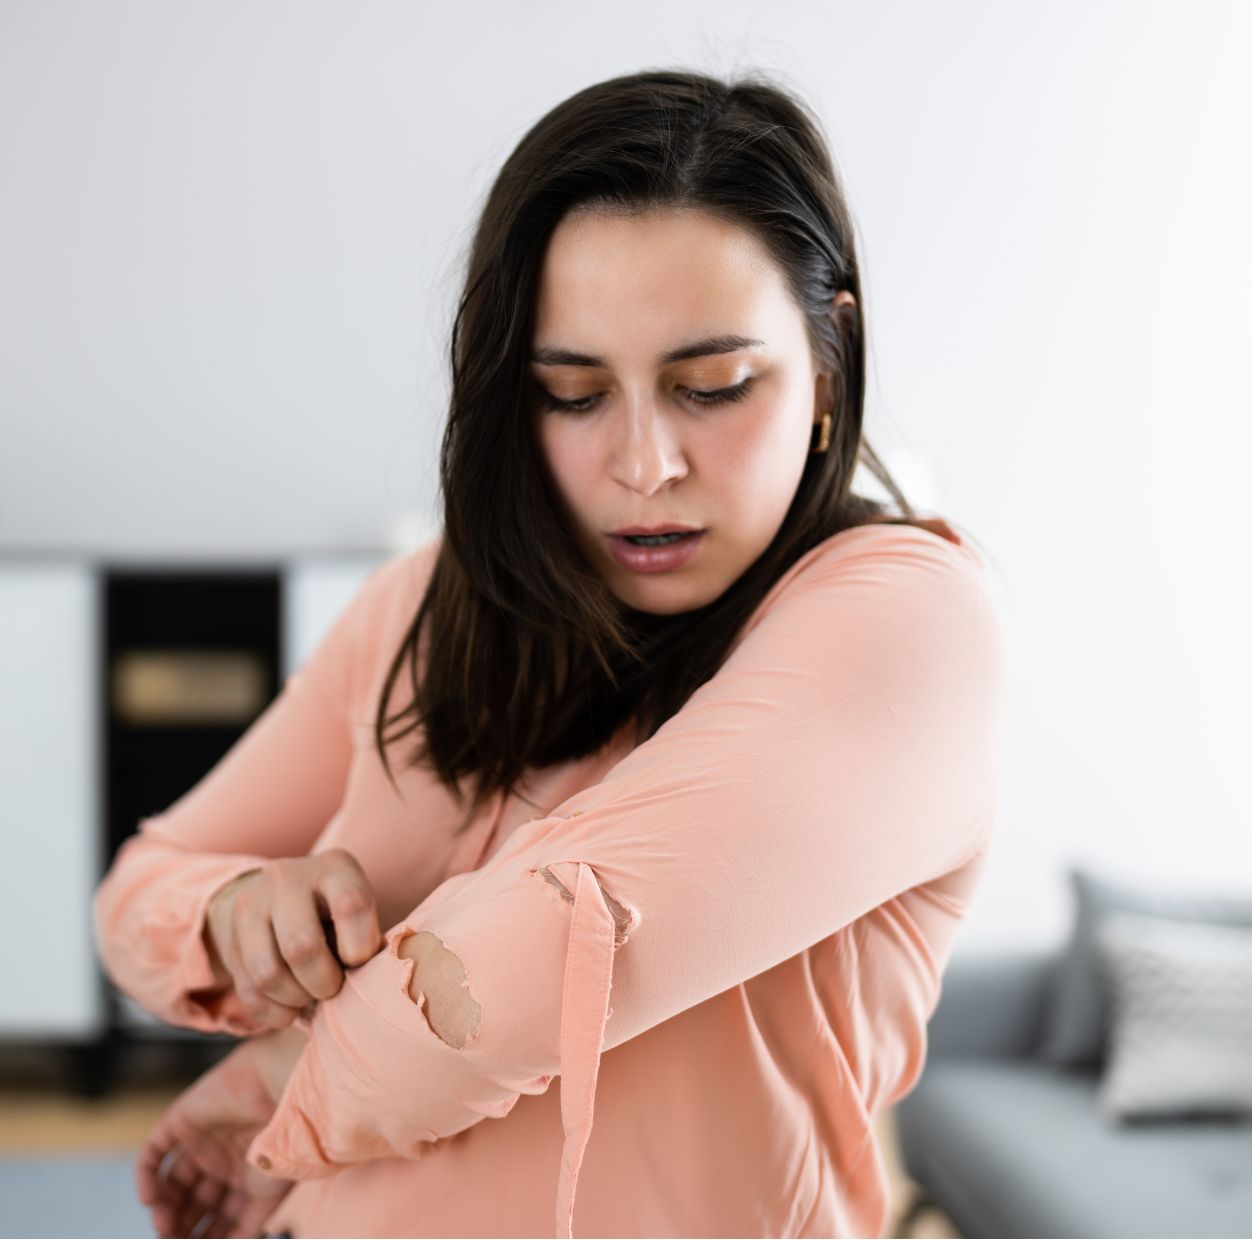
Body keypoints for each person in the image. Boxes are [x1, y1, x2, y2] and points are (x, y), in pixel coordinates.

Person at [93, 66, 1005, 1239]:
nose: (641, 464)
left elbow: (519, 982)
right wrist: (233, 911)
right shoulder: (424, 601)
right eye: (571, 394)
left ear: (828, 364)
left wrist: (271, 1083)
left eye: (710, 386)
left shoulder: (903, 616)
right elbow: (140, 888)